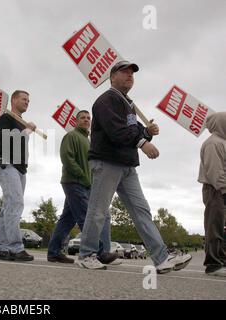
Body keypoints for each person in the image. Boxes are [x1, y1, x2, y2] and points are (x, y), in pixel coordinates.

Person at [77, 60, 192, 273]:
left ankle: (161, 257)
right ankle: (86, 254)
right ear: (112, 77)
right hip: (107, 161)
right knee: (98, 210)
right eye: (124, 72)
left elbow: (134, 129)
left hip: (126, 164)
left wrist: (147, 132)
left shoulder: (127, 103)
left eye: (132, 73)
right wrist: (143, 142)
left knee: (141, 211)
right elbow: (116, 131)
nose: (130, 75)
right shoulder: (107, 100)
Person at [47, 110, 119, 265]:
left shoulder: (88, 140)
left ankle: (53, 252)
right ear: (75, 121)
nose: (86, 120)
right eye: (82, 118)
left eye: (88, 118)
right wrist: (83, 176)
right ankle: (99, 252)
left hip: (85, 184)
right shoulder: (71, 136)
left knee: (67, 220)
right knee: (86, 218)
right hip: (74, 182)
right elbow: (67, 158)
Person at [0, 90, 37, 262]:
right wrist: (27, 131)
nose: (27, 102)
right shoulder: (5, 119)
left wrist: (25, 129)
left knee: (8, 207)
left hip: (20, 168)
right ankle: (15, 248)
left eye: (28, 100)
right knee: (16, 202)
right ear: (14, 100)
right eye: (24, 99)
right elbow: (9, 141)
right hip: (6, 164)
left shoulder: (20, 123)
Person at [198, 112, 226, 277]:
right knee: (214, 226)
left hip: (221, 189)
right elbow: (215, 171)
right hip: (216, 190)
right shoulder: (213, 143)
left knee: (221, 226)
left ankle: (221, 260)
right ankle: (213, 264)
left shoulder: (221, 142)